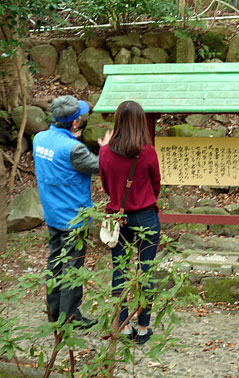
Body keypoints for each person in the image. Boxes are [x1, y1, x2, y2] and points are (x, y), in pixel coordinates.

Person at [33, 95, 110, 328]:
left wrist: (70, 138)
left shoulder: (39, 139)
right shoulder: (74, 149)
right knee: (72, 267)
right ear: (74, 123)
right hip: (73, 218)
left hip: (52, 213)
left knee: (55, 262)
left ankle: (54, 311)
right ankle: (69, 317)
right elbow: (100, 166)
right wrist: (105, 149)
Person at [99, 100, 161, 344]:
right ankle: (143, 327)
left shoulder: (105, 152)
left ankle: (123, 326)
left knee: (119, 271)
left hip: (118, 216)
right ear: (140, 123)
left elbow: (106, 186)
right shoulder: (148, 152)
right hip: (146, 215)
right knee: (145, 271)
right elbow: (156, 185)